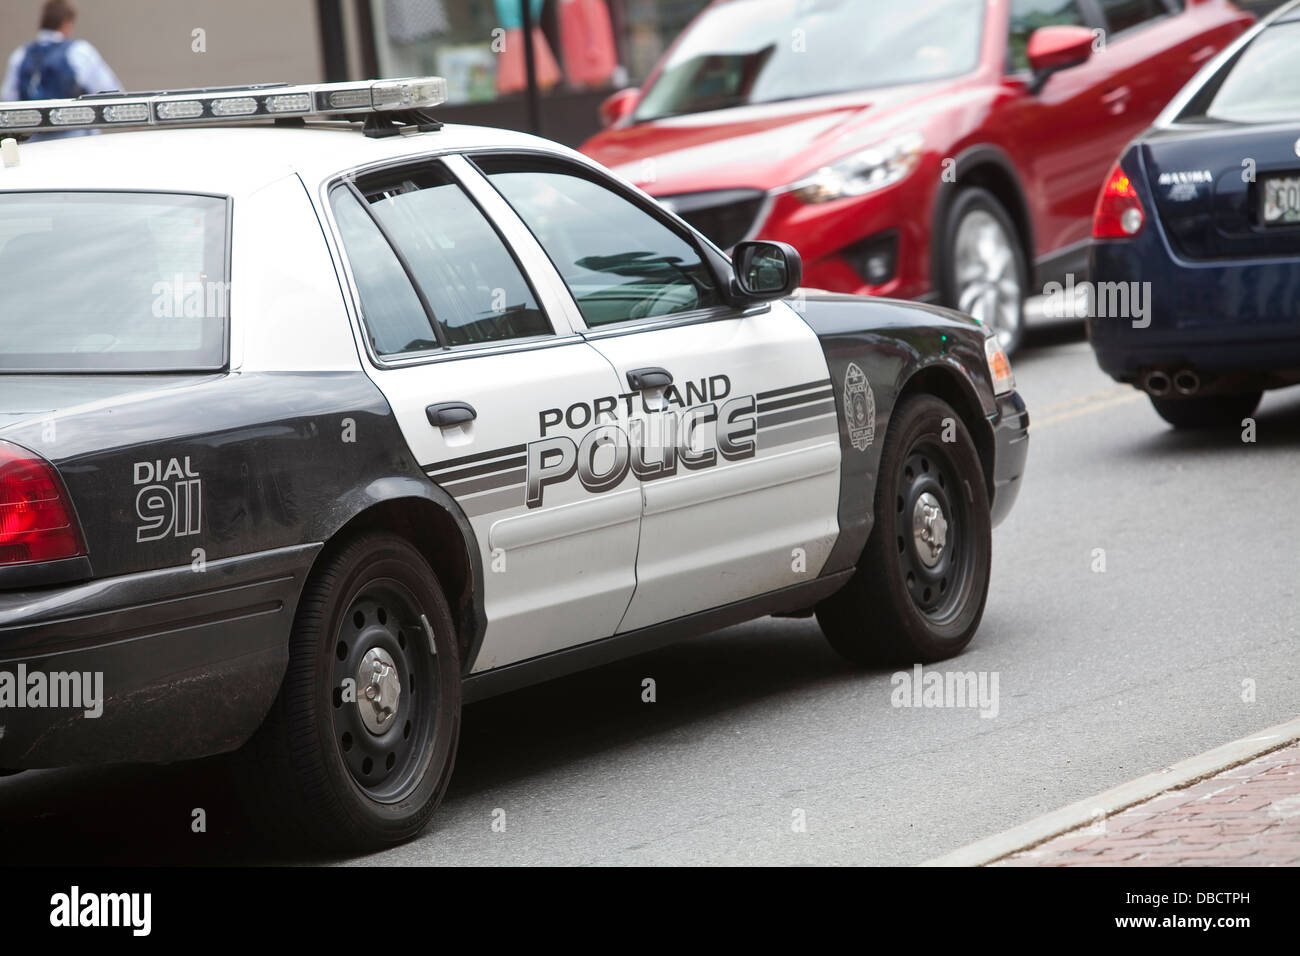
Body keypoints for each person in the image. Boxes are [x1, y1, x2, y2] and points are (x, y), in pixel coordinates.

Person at [2, 0, 121, 139]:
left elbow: (8, 98)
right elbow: (109, 91)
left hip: (34, 144)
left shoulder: (21, 54)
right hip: (75, 140)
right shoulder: (79, 52)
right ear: (66, 22)